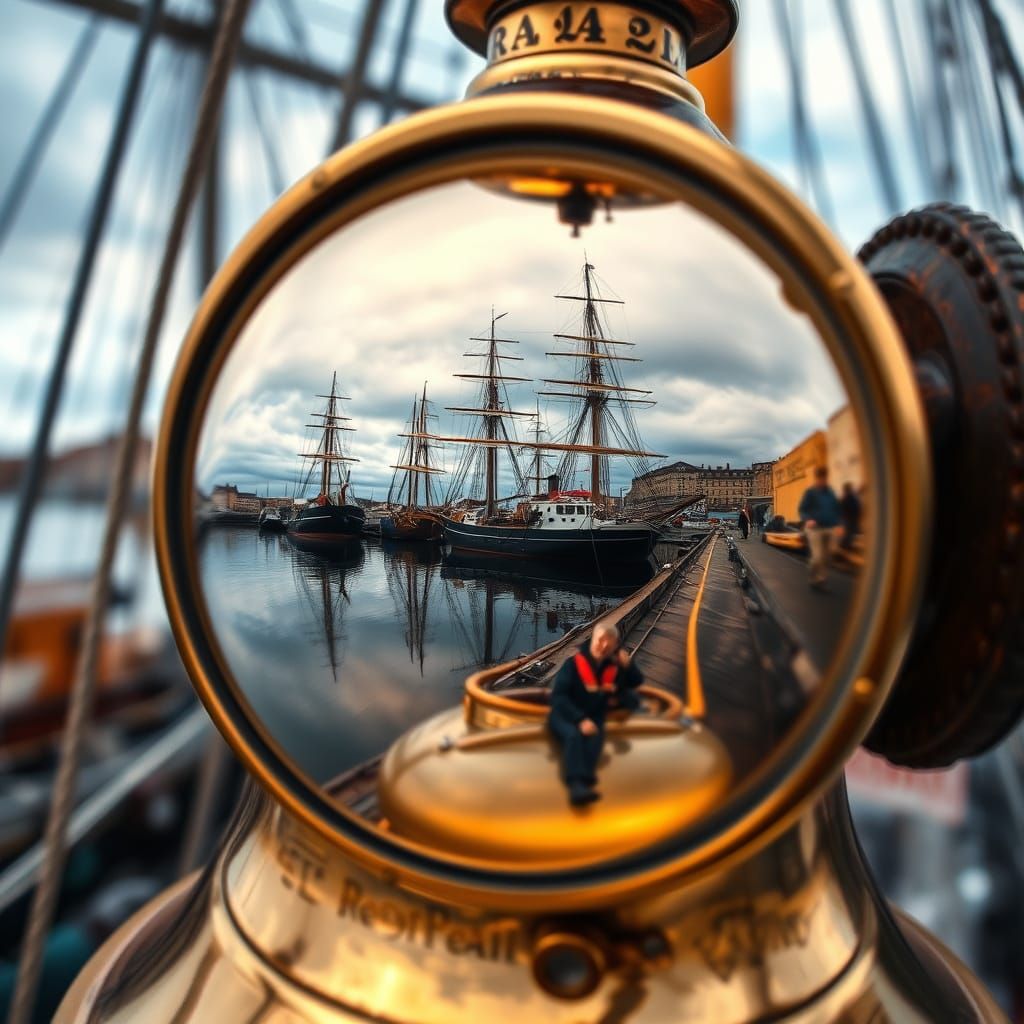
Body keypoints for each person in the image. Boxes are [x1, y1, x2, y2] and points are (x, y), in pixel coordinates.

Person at [547, 622, 644, 806]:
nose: (604, 647)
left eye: (610, 644)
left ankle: (587, 782)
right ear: (593, 641)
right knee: (574, 735)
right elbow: (559, 698)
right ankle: (576, 785)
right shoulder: (574, 664)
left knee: (596, 738)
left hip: (593, 714)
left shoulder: (612, 667)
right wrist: (580, 719)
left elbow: (635, 681)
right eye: (600, 641)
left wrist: (628, 665)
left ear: (615, 646)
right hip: (566, 714)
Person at [798, 466, 841, 588]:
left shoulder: (831, 493)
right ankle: (814, 577)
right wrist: (808, 519)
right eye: (820, 479)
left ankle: (821, 578)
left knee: (829, 554)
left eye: (825, 479)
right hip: (815, 529)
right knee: (817, 557)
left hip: (830, 527)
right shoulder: (811, 493)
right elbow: (803, 509)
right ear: (817, 479)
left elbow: (837, 509)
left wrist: (839, 525)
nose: (823, 481)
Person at [839, 482, 862, 550]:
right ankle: (845, 545)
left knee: (849, 533)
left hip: (849, 518)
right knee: (848, 533)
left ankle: (845, 545)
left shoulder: (848, 497)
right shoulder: (849, 497)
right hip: (849, 518)